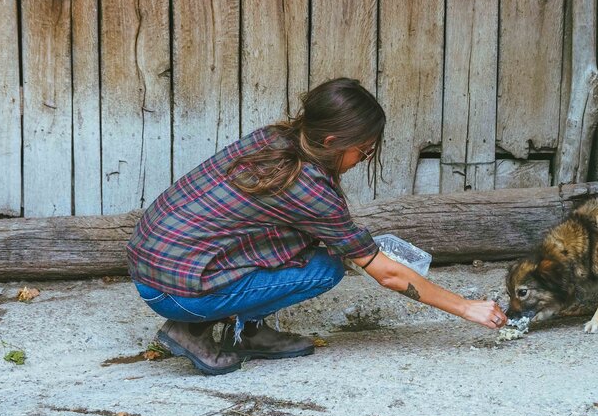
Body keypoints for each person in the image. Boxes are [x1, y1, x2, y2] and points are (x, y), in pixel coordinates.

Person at [127, 77, 508, 375]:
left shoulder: (274, 139)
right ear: (332, 140)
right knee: (325, 268)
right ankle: (189, 330)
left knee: (305, 242)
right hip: (175, 293)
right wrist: (466, 307)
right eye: (365, 148)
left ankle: (249, 330)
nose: (365, 157)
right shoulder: (308, 188)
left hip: (152, 266)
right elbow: (388, 275)